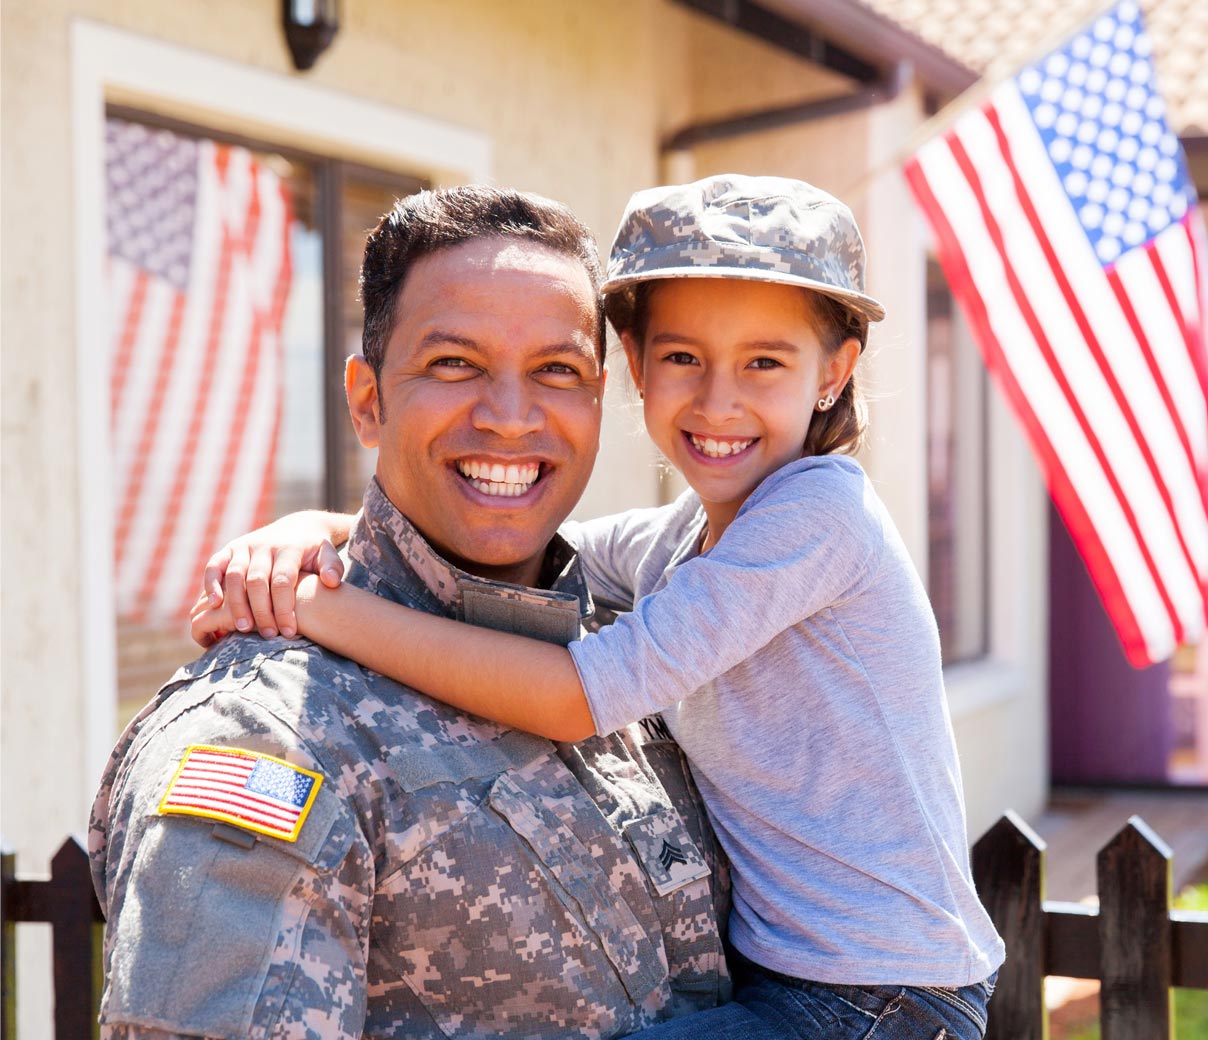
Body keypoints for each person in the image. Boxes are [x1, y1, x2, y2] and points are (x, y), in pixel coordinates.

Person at [197, 174, 1005, 1040]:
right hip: (796, 978)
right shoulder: (686, 537)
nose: (718, 399)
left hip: (876, 997)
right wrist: (313, 530)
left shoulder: (820, 517)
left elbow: (580, 696)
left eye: (764, 362)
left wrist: (326, 610)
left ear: (833, 373)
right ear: (636, 365)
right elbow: (520, 525)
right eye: (684, 358)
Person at [90, 185, 734, 1040]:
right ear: (367, 400)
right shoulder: (271, 733)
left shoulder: (637, 644)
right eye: (454, 364)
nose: (512, 417)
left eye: (557, 370)